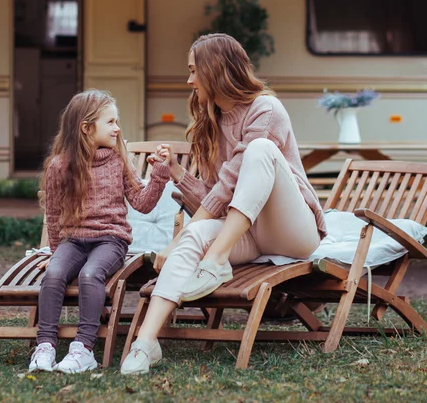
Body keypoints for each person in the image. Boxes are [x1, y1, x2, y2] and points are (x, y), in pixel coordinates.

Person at [120, 33, 327, 375]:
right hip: (246, 232)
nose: (189, 80)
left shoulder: (266, 108)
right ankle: (146, 343)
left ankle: (216, 259)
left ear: (215, 70)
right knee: (196, 232)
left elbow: (231, 182)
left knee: (259, 151)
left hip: (292, 232)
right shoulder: (211, 120)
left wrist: (189, 244)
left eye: (193, 70)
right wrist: (176, 172)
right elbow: (217, 197)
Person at [29, 89, 171, 374]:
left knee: (90, 274)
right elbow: (54, 215)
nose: (117, 128)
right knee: (54, 273)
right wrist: (56, 254)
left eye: (116, 121)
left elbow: (142, 203)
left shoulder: (118, 160)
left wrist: (159, 173)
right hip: (73, 240)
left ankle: (83, 349)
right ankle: (44, 347)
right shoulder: (60, 166)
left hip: (111, 240)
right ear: (86, 128)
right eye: (110, 122)